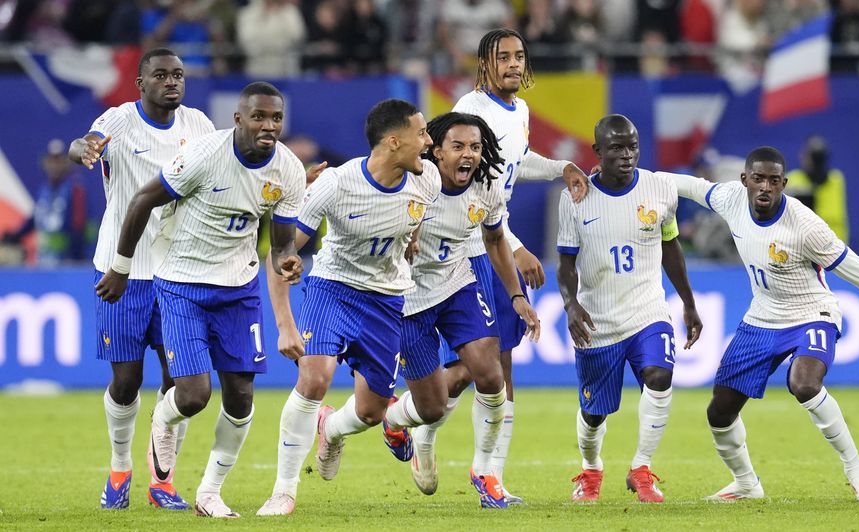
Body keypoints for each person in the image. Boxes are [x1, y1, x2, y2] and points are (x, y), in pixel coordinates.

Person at [669, 146, 859, 502]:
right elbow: (687, 185)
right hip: (762, 317)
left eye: (773, 181)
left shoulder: (805, 226)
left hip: (812, 313)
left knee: (803, 384)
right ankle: (746, 483)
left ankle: (857, 471)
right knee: (719, 411)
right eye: (758, 179)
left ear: (784, 184)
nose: (765, 187)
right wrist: (637, 180)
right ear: (744, 180)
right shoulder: (729, 198)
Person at [95, 81, 306, 518]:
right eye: (259, 117)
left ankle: (209, 492)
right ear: (238, 119)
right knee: (192, 395)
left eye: (276, 118)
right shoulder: (204, 155)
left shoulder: (288, 169)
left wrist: (288, 260)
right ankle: (159, 423)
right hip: (183, 283)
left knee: (242, 396)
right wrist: (119, 266)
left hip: (239, 287)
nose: (269, 126)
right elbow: (142, 201)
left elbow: (283, 243)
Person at [413, 27, 589, 506]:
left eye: (519, 56)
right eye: (503, 57)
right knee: (487, 369)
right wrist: (515, 246)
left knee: (489, 371)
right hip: (468, 249)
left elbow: (513, 163)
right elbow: (469, 188)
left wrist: (561, 168)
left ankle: (483, 471)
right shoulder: (471, 112)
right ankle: (428, 435)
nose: (513, 64)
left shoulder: (520, 111)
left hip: (490, 240)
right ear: (484, 64)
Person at [256, 99, 439, 517]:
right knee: (315, 377)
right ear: (394, 142)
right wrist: (285, 323)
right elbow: (280, 253)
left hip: (387, 299)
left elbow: (416, 216)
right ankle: (283, 491)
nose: (428, 143)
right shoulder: (336, 184)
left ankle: (330, 428)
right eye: (422, 133)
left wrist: (411, 236)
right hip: (332, 289)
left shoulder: (425, 180)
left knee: (373, 412)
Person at [67, 47, 216, 511]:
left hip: (180, 272)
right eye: (160, 75)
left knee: (181, 382)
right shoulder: (119, 121)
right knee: (127, 381)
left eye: (178, 75)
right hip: (122, 270)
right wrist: (83, 149)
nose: (171, 81)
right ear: (141, 83)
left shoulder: (199, 126)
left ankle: (163, 481)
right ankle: (118, 467)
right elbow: (85, 141)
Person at [379, 112, 540, 509]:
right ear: (436, 150)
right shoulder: (413, 184)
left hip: (456, 284)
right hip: (409, 298)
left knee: (489, 373)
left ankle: (485, 472)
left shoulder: (486, 187)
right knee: (431, 403)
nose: (468, 154)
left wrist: (517, 297)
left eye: (475, 147)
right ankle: (396, 419)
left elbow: (496, 239)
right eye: (458, 146)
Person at [558, 115, 702, 503]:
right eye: (617, 148)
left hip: (647, 312)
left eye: (633, 146)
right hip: (597, 320)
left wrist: (688, 302)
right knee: (594, 415)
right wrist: (571, 306)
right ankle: (590, 471)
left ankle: (642, 468)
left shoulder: (659, 189)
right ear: (598, 152)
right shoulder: (576, 196)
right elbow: (566, 263)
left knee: (659, 375)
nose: (627, 155)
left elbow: (671, 246)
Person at [3, 139, 87, 266]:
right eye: (51, 160)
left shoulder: (75, 190)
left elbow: (78, 228)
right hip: (43, 260)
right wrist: (15, 235)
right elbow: (35, 218)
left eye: (58, 161)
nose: (54, 165)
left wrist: (76, 261)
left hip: (66, 262)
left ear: (66, 163)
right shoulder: (43, 190)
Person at [785, 135, 849, 243]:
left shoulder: (835, 179)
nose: (801, 156)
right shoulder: (792, 179)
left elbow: (819, 181)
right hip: (802, 244)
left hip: (835, 243)